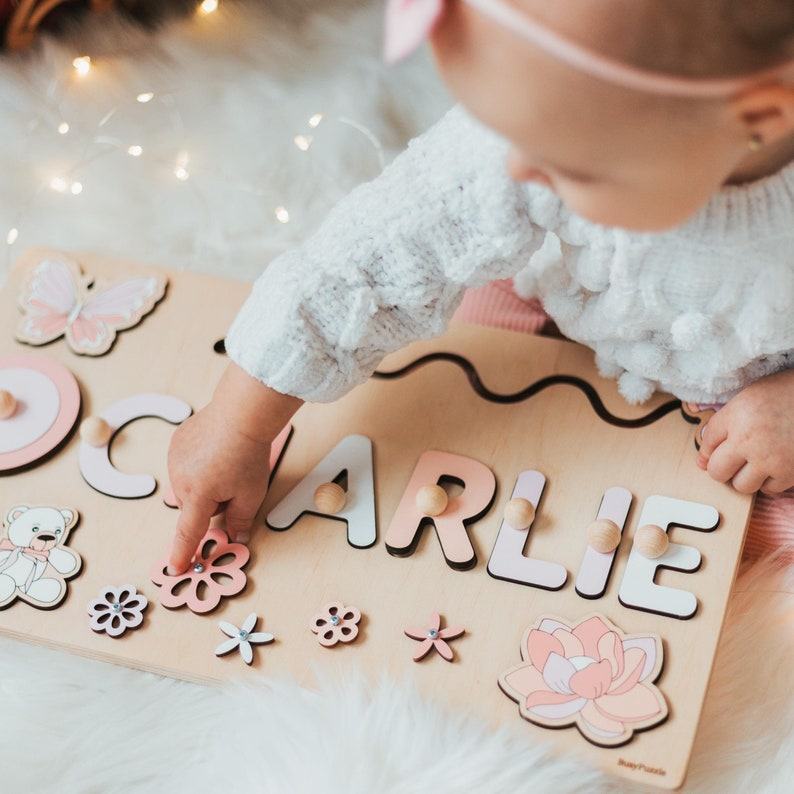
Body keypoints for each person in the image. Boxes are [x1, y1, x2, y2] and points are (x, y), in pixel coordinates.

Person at [166, 0, 794, 573]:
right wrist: (238, 424)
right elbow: (369, 259)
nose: (518, 169)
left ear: (758, 120)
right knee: (459, 365)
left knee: (749, 565)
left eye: (572, 168)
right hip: (574, 303)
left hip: (757, 400)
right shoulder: (538, 125)